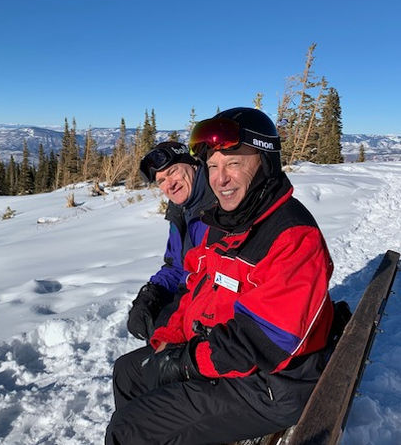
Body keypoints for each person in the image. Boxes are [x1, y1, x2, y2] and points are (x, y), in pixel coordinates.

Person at [106, 107, 335, 445]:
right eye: (213, 166)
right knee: (128, 373)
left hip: (270, 384)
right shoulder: (226, 224)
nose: (220, 178)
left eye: (233, 163)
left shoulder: (292, 235)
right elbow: (196, 291)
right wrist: (169, 338)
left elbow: (268, 339)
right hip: (229, 360)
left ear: (265, 163)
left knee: (128, 428)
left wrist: (186, 363)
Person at [127, 141, 216, 340]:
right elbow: (176, 266)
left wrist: (177, 318)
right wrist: (152, 293)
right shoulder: (180, 210)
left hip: (212, 317)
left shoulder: (220, 203)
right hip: (189, 302)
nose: (169, 185)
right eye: (161, 181)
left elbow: (217, 279)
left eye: (173, 172)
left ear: (193, 164)